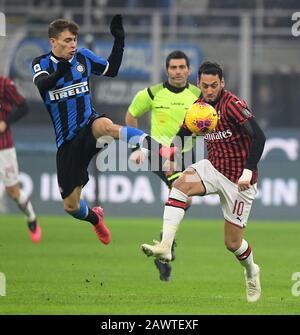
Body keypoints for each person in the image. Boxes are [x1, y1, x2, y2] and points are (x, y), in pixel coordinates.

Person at [31, 15, 166, 245]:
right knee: (71, 206)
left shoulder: (82, 56)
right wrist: (62, 69)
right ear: (53, 42)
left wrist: (119, 41)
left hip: (88, 124)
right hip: (67, 142)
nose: (73, 44)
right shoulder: (41, 63)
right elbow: (43, 85)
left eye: (74, 39)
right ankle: (96, 219)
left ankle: (153, 145)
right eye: (67, 40)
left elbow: (111, 69)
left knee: (106, 126)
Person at [141, 61, 266, 302]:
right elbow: (183, 133)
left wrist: (249, 170)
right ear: (198, 84)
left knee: (232, 244)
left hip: (239, 181)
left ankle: (252, 271)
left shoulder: (233, 106)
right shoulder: (198, 108)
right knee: (179, 187)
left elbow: (259, 136)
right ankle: (166, 245)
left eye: (214, 85)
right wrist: (171, 153)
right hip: (213, 168)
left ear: (222, 83)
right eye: (205, 86)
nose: (209, 90)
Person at [125, 50, 201, 281]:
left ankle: (164, 247)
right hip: (159, 153)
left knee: (184, 199)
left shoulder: (198, 95)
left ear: (189, 70)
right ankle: (166, 244)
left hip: (187, 154)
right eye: (173, 67)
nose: (177, 71)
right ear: (167, 70)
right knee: (182, 195)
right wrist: (137, 148)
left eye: (182, 67)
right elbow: (131, 117)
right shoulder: (152, 93)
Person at [0, 76, 41, 243]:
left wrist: (5, 122)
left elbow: (23, 107)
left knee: (14, 193)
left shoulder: (4, 84)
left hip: (3, 147)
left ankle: (31, 218)